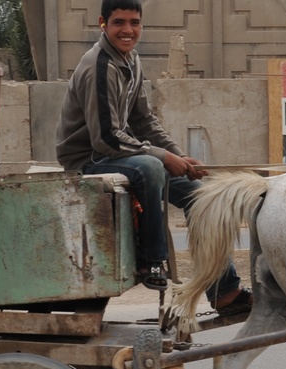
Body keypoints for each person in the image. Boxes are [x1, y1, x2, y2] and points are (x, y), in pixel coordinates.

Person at [55, 0, 252, 314]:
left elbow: (144, 120)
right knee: (150, 167)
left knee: (201, 194)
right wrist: (161, 157)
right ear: (102, 23)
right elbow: (105, 139)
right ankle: (152, 261)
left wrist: (179, 155)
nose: (128, 30)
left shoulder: (131, 60)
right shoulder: (100, 66)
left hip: (115, 152)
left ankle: (224, 290)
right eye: (119, 22)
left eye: (134, 22)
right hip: (88, 159)